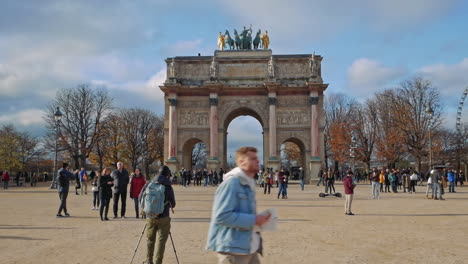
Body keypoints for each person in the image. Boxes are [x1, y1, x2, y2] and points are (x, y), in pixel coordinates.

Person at [207, 147, 270, 263]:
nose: (258, 161)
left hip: (248, 247)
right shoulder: (232, 183)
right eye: (253, 158)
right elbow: (222, 216)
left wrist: (259, 221)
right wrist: (254, 219)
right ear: (241, 162)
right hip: (233, 250)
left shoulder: (247, 183)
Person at [140, 165, 176, 264]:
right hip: (163, 216)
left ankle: (148, 260)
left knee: (150, 240)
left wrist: (147, 208)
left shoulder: (148, 183)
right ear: (167, 175)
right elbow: (173, 203)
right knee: (161, 241)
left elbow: (140, 198)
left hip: (150, 216)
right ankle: (158, 262)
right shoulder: (168, 186)